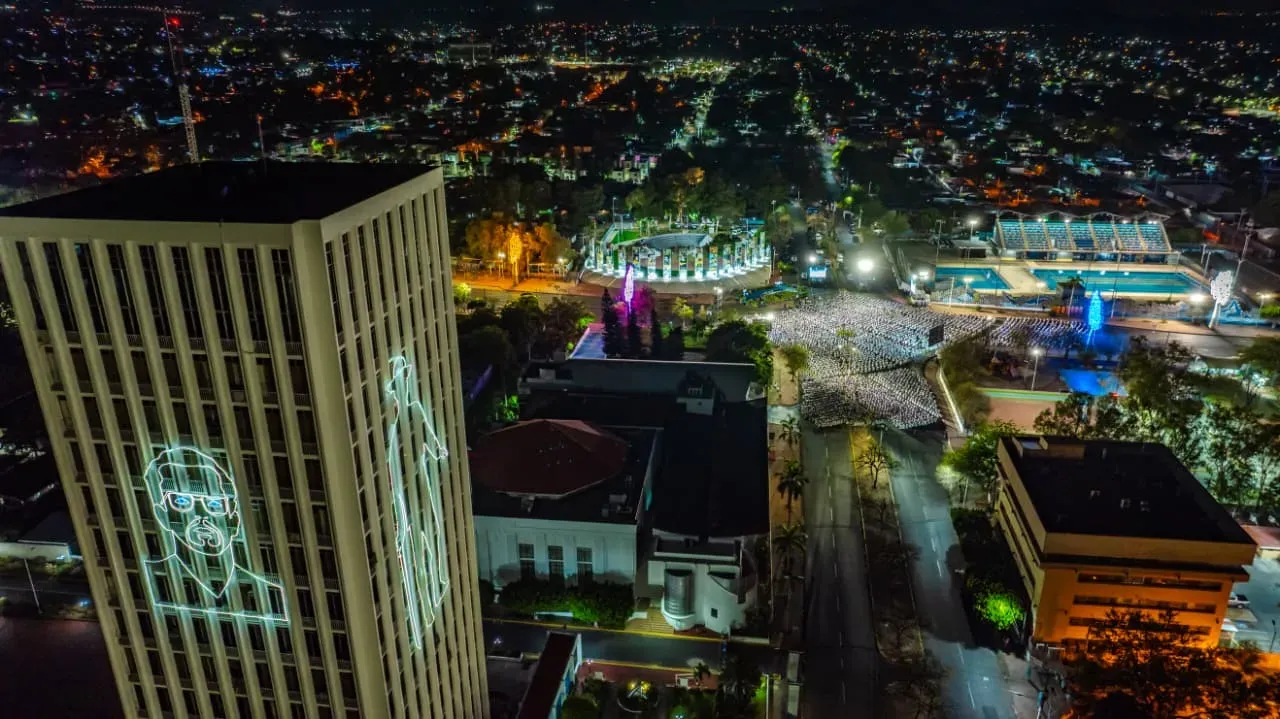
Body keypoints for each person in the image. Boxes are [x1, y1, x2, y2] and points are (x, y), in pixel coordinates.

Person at [141, 447, 287, 623]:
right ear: (161, 514)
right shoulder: (154, 580)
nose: (201, 515)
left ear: (234, 518)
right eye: (181, 501)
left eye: (215, 504)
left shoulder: (269, 592)